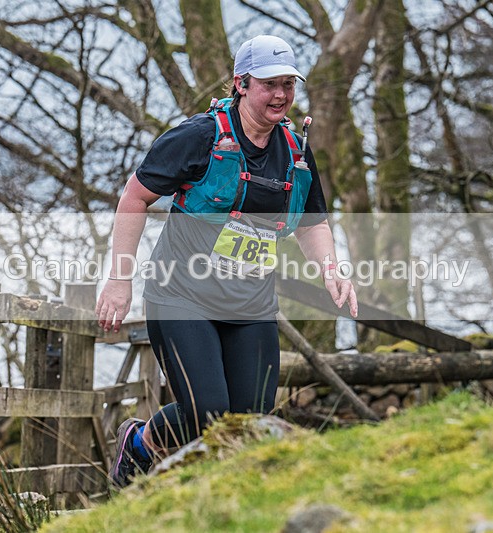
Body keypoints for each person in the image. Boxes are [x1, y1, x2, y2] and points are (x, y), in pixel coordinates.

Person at [95, 34, 357, 489]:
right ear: (241, 83)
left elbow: (311, 222)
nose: (280, 95)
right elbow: (134, 198)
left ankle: (220, 503)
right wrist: (119, 281)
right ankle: (139, 441)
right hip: (182, 296)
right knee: (209, 414)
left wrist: (332, 270)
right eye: (268, 84)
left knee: (250, 424)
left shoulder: (295, 150)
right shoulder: (198, 137)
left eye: (288, 85)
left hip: (250, 305)